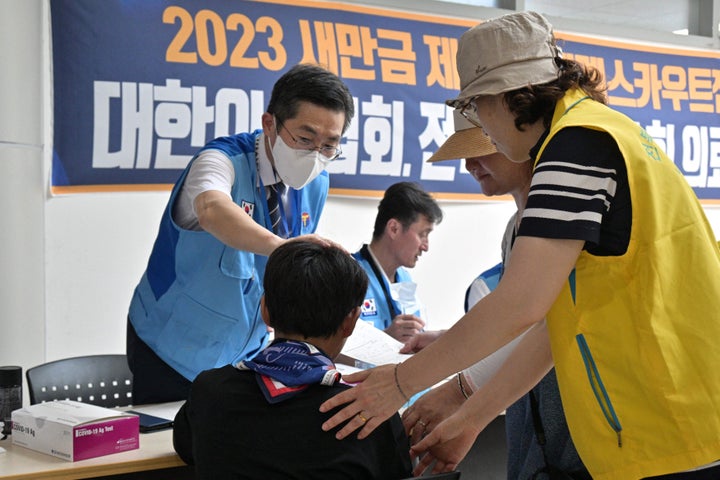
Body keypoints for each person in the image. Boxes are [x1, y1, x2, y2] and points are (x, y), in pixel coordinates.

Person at [319, 11, 720, 480]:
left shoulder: (577, 146)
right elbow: (555, 326)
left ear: (510, 96)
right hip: (659, 428)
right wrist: (468, 414)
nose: (481, 133)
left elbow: (521, 305)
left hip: (668, 420)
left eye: (476, 110)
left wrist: (400, 382)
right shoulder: (599, 132)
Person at [127, 63, 355, 404]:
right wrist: (281, 248)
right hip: (170, 349)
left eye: (328, 146)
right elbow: (211, 209)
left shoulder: (316, 182)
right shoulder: (221, 161)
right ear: (270, 123)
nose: (315, 156)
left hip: (242, 356)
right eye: (305, 139)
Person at [402, 109, 589, 479]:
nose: (470, 163)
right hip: (531, 434)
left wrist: (452, 389)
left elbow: (544, 324)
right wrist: (448, 341)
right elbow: (517, 322)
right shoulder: (515, 229)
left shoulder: (568, 223)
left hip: (580, 433)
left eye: (483, 145)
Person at [172, 240, 412, 479]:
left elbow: (185, 448)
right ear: (350, 322)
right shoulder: (371, 415)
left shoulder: (209, 392)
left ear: (265, 309)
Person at [353, 181, 443, 342]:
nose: (426, 246)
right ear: (394, 229)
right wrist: (385, 339)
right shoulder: (345, 275)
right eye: (423, 234)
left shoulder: (405, 279)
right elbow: (328, 348)